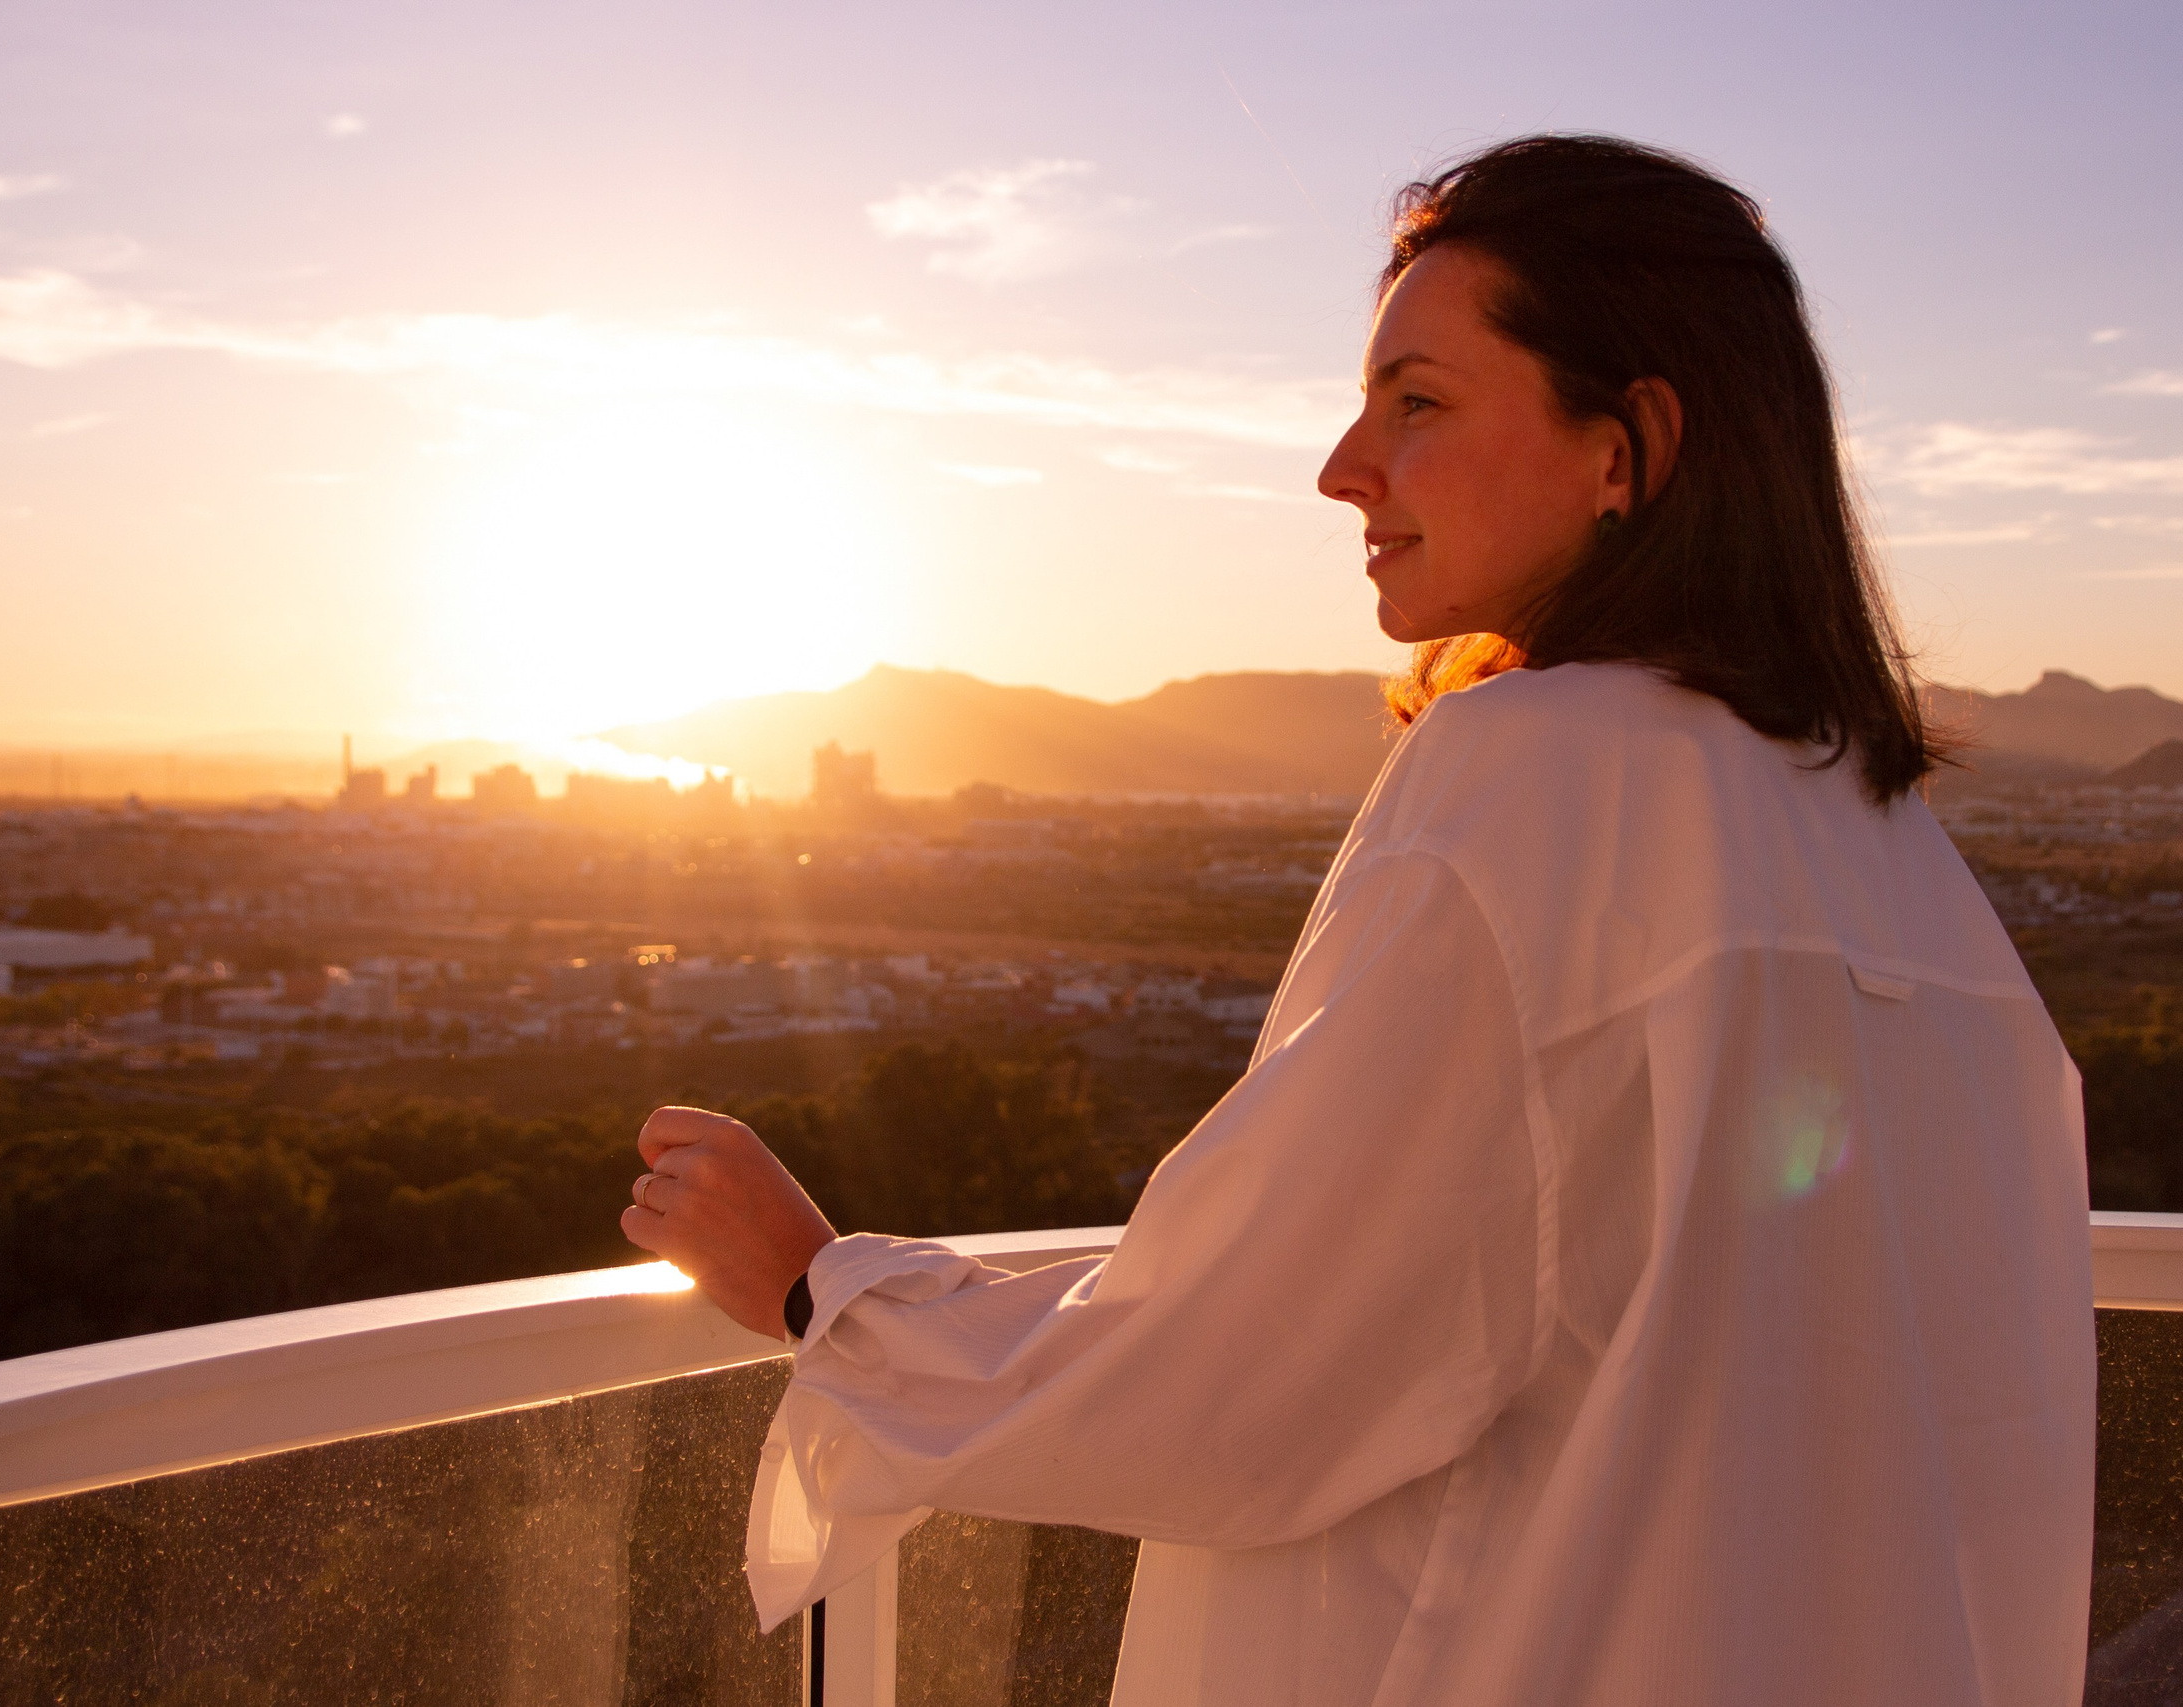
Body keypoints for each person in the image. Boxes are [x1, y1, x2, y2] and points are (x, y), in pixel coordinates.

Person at [618, 135, 2095, 1706]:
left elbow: (1246, 1363)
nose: (1343, 465)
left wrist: (824, 1294)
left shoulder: (1541, 774)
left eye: (1420, 401)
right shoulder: (1881, 836)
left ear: (1628, 447)